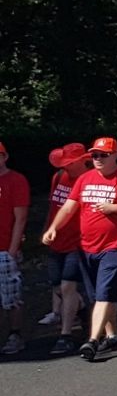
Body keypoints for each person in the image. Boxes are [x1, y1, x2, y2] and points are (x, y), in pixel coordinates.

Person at [42, 136, 117, 361]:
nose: (98, 159)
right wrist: (53, 228)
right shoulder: (86, 178)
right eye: (95, 155)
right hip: (86, 246)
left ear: (115, 155)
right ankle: (113, 335)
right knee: (100, 296)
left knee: (103, 294)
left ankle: (92, 340)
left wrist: (114, 207)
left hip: (115, 245)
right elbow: (70, 206)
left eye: (103, 155)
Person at [39, 143, 87, 351]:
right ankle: (82, 307)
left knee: (68, 286)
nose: (65, 166)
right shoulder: (58, 177)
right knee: (58, 288)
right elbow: (53, 207)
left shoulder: (89, 180)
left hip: (78, 242)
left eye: (69, 163)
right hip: (56, 239)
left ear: (80, 160)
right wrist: (47, 230)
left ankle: (65, 335)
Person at [0, 140, 27, 355]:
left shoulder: (15, 180)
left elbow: (20, 218)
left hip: (4, 247)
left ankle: (15, 333)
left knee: (11, 294)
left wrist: (12, 249)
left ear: (4, 156)